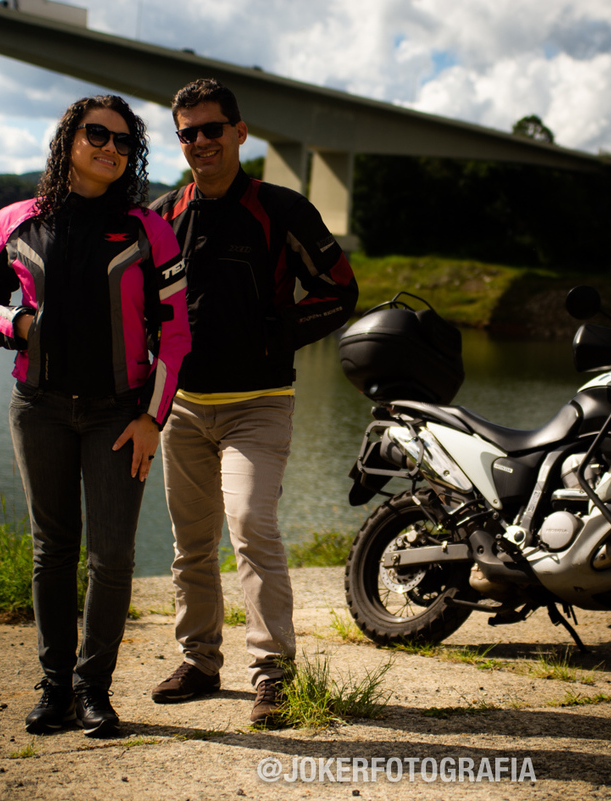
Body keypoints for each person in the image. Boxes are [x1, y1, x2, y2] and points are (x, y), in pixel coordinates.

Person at [0, 95, 191, 737]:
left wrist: (152, 419)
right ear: (69, 140)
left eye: (123, 141)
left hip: (120, 414)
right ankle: (55, 687)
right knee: (52, 551)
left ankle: (93, 689)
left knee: (111, 557)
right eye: (97, 134)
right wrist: (16, 322)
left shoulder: (149, 230)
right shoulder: (14, 222)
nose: (110, 148)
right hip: (40, 410)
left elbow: (175, 336)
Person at [148, 78, 358, 726]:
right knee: (191, 544)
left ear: (240, 133)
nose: (201, 142)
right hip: (182, 408)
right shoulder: (162, 215)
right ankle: (199, 661)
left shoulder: (281, 209)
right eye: (188, 133)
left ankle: (273, 675)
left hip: (259, 403)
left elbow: (339, 289)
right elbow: (141, 307)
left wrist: (275, 334)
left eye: (213, 128)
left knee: (250, 523)